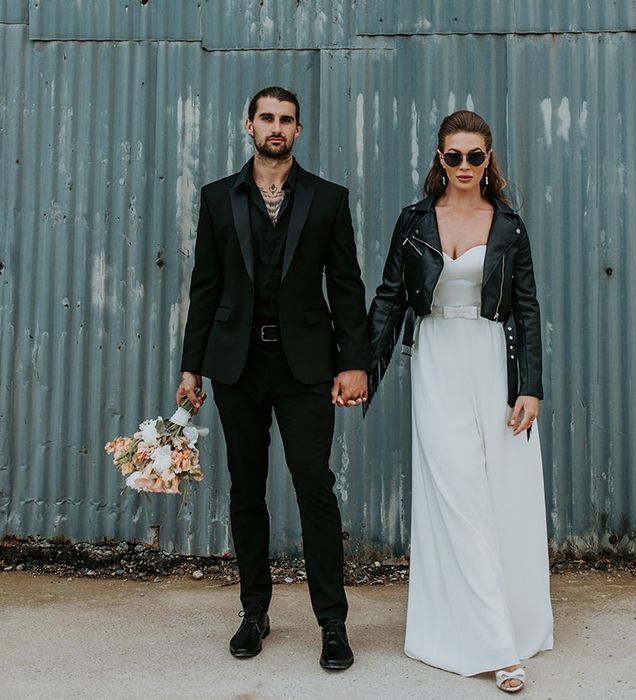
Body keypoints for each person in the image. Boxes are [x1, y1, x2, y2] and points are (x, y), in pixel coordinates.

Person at [176, 86, 369, 670]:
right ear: (248, 125)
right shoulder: (217, 198)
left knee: (315, 486)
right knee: (246, 489)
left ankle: (332, 624)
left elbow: (347, 284)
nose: (276, 127)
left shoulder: (328, 199)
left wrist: (353, 359)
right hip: (237, 365)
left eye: (286, 119)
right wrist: (191, 367)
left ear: (299, 130)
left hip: (305, 366)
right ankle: (254, 611)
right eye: (267, 118)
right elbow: (205, 287)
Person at [366, 110, 553, 693]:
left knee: (503, 495)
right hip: (438, 361)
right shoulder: (414, 221)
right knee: (456, 494)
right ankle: (494, 646)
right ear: (439, 159)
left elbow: (527, 308)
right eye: (455, 156)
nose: (466, 166)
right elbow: (390, 298)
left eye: (476, 157)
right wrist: (360, 371)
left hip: (495, 362)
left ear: (488, 159)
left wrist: (530, 386)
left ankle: (510, 625)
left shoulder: (509, 226)